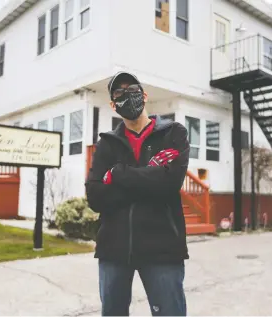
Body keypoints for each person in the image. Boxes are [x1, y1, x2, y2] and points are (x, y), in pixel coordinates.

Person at [85, 71, 190, 316]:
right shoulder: (106, 144)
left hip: (162, 247)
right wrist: (149, 177)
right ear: (112, 105)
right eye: (118, 93)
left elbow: (170, 184)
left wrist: (119, 174)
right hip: (114, 249)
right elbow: (95, 196)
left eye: (131, 89)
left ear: (143, 94)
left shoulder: (173, 133)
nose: (126, 95)